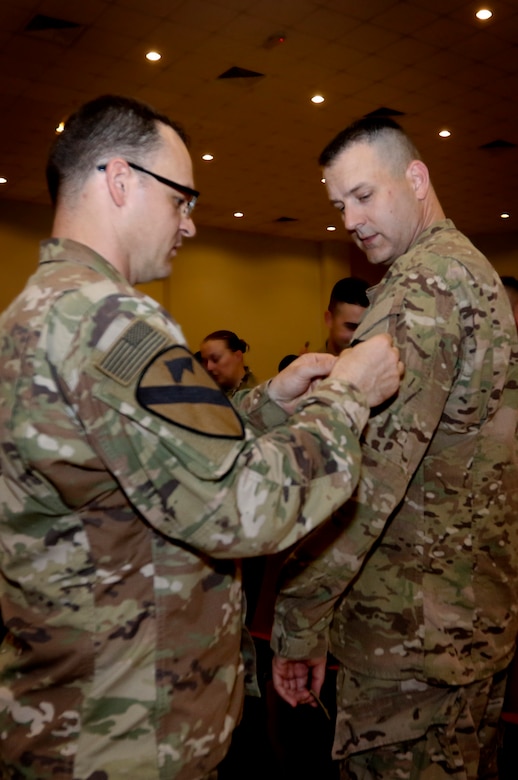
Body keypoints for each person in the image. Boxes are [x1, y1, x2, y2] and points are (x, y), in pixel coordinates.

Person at [0, 95, 403, 780]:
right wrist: (348, 397)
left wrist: (268, 403)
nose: (189, 223)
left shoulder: (37, 308)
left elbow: (146, 463)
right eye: (181, 198)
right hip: (126, 734)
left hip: (74, 714)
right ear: (121, 180)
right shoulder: (112, 322)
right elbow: (246, 506)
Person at [272, 116, 518, 780]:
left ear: (416, 177)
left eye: (363, 194)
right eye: (339, 205)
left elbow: (366, 479)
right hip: (471, 628)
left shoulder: (422, 288)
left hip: (408, 649)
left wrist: (298, 619)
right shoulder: (475, 271)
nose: (350, 219)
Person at [319, 276, 370, 355]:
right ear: (329, 319)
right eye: (351, 327)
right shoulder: (306, 366)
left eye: (366, 329)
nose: (359, 337)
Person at [200, 329, 257, 397]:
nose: (209, 367)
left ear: (238, 356)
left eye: (215, 359)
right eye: (205, 361)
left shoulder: (255, 396)